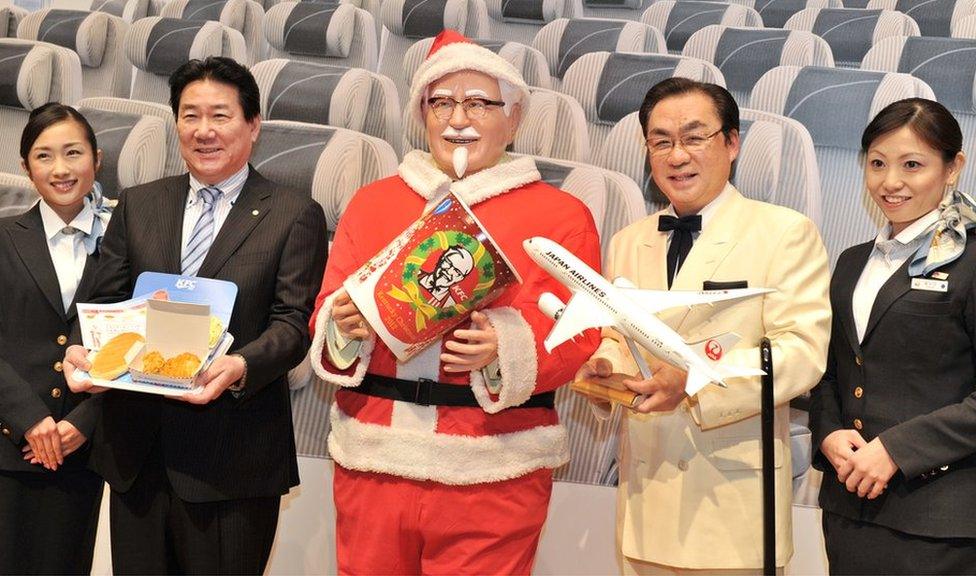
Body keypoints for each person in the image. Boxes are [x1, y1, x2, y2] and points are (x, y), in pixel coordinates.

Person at [308, 30, 602, 575]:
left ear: (513, 119)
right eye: (440, 102)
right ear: (422, 114)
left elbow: (580, 332)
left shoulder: (561, 215)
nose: (457, 119)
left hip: (494, 468)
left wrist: (504, 346)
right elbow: (327, 309)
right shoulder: (372, 203)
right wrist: (343, 325)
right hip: (374, 461)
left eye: (477, 103)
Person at [64, 57, 329, 574]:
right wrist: (85, 348)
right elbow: (103, 300)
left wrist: (241, 366)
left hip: (234, 460)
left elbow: (293, 324)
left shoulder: (293, 212)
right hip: (137, 458)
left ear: (253, 125)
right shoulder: (139, 204)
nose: (203, 131)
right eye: (190, 116)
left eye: (220, 116)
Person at [576, 77, 831, 575]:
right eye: (661, 141)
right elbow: (618, 338)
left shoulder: (783, 232)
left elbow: (800, 354)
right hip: (643, 508)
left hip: (731, 507)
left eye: (695, 137)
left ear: (732, 143)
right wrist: (602, 370)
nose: (677, 156)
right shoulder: (628, 240)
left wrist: (691, 380)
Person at [810, 98, 976, 574]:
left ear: (953, 168)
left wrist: (898, 450)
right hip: (850, 512)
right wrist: (829, 434)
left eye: (912, 165)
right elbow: (830, 375)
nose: (890, 182)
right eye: (878, 164)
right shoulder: (852, 261)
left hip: (941, 523)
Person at [0, 103, 107, 574]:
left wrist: (86, 421)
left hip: (80, 453)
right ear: (25, 167)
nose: (60, 169)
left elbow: (140, 344)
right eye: (44, 156)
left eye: (72, 153)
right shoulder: (3, 237)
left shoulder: (125, 241)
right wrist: (28, 418)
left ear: (97, 159)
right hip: (7, 443)